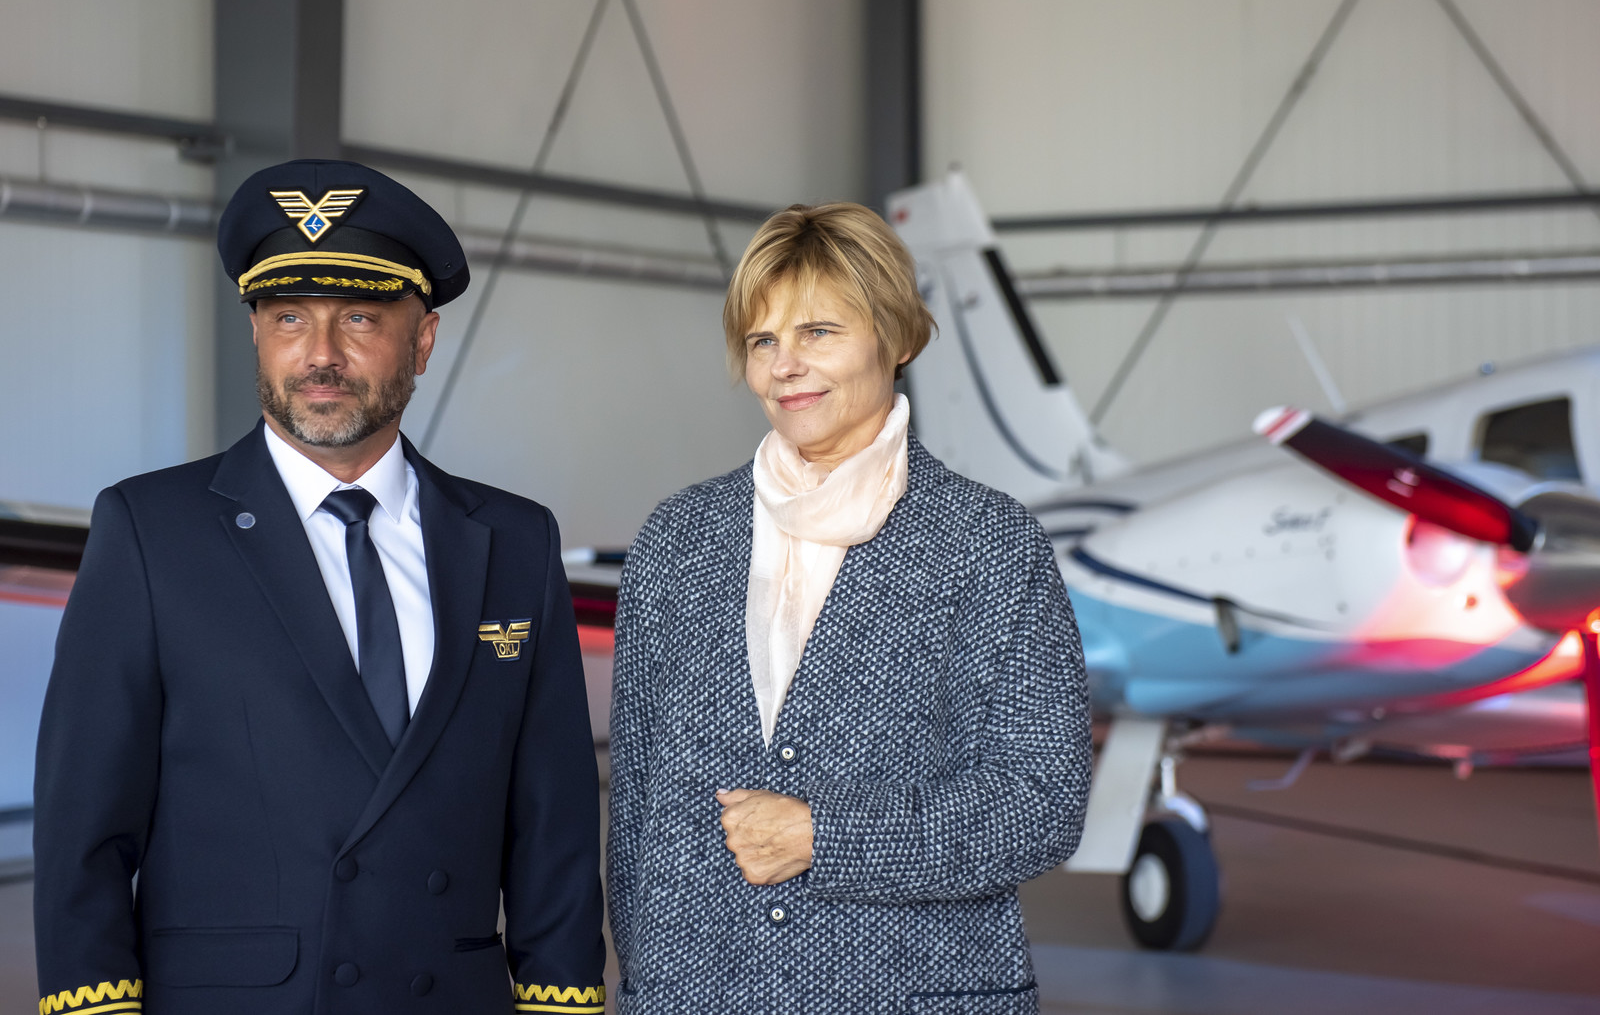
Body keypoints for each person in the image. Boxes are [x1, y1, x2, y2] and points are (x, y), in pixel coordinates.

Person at [33, 160, 605, 1015]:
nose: (321, 355)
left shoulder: (516, 541)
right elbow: (84, 817)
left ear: (423, 340)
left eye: (360, 318)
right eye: (289, 317)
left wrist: (561, 995)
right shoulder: (152, 531)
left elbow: (552, 820)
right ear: (257, 332)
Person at [606, 202, 1093, 1012]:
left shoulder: (989, 543)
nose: (785, 366)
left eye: (819, 332)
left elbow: (1041, 802)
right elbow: (636, 811)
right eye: (763, 341)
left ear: (897, 337)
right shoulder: (679, 538)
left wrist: (827, 836)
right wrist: (650, 985)